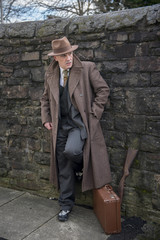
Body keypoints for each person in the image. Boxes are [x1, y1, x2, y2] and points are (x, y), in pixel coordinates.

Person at [40, 36, 112, 222]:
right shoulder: (51, 74)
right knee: (63, 165)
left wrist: (94, 115)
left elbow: (103, 90)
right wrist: (46, 118)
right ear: (56, 58)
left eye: (70, 53)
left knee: (72, 152)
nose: (69, 57)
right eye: (64, 55)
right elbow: (45, 99)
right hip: (60, 126)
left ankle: (81, 166)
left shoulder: (87, 68)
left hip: (79, 125)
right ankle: (65, 205)